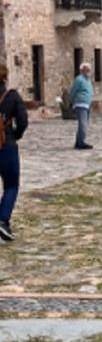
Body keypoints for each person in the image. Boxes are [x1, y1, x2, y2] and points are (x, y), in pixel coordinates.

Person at [0, 64, 29, 242]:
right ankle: (3, 220)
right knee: (11, 185)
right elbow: (23, 121)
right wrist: (15, 135)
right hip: (6, 145)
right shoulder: (11, 96)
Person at [69, 63, 94, 149]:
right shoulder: (79, 79)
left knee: (84, 124)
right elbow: (72, 91)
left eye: (89, 69)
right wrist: (72, 101)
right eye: (86, 69)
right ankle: (81, 143)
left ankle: (79, 141)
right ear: (82, 70)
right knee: (83, 124)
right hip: (80, 104)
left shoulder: (88, 80)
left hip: (87, 104)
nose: (88, 71)